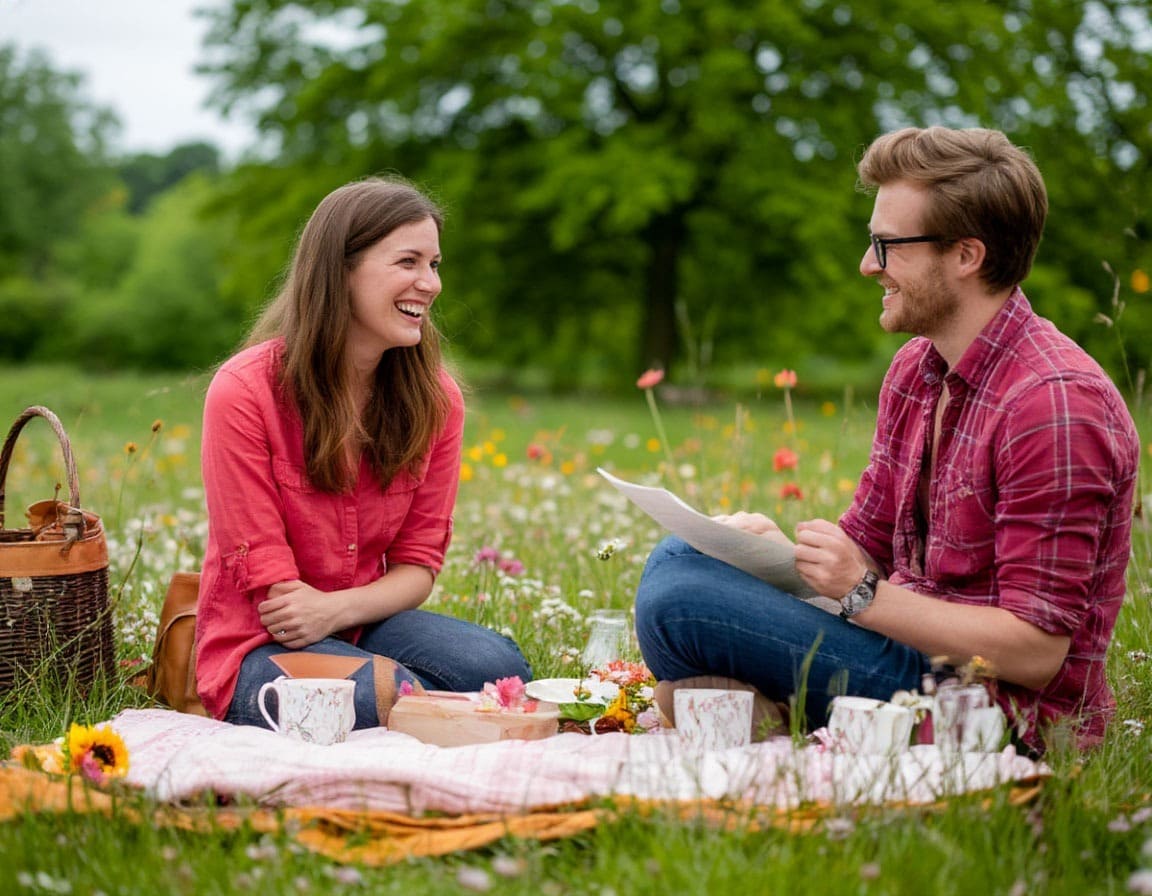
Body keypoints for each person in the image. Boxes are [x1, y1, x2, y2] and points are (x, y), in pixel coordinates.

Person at [635, 126, 1139, 755]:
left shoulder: (1054, 405)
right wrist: (776, 556)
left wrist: (860, 593)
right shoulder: (915, 370)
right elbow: (869, 549)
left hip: (992, 708)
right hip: (904, 651)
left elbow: (1036, 653)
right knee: (677, 560)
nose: (868, 265)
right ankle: (783, 713)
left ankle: (773, 712)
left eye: (887, 245)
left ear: (966, 255)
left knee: (679, 602)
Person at [195, 177, 531, 729]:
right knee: (388, 693)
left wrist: (337, 609)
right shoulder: (245, 391)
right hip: (260, 641)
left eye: (434, 264)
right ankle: (424, 707)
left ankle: (417, 703)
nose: (430, 283)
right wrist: (336, 629)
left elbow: (417, 568)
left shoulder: (436, 401)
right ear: (341, 270)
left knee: (497, 667)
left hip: (361, 623)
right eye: (408, 262)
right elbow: (278, 597)